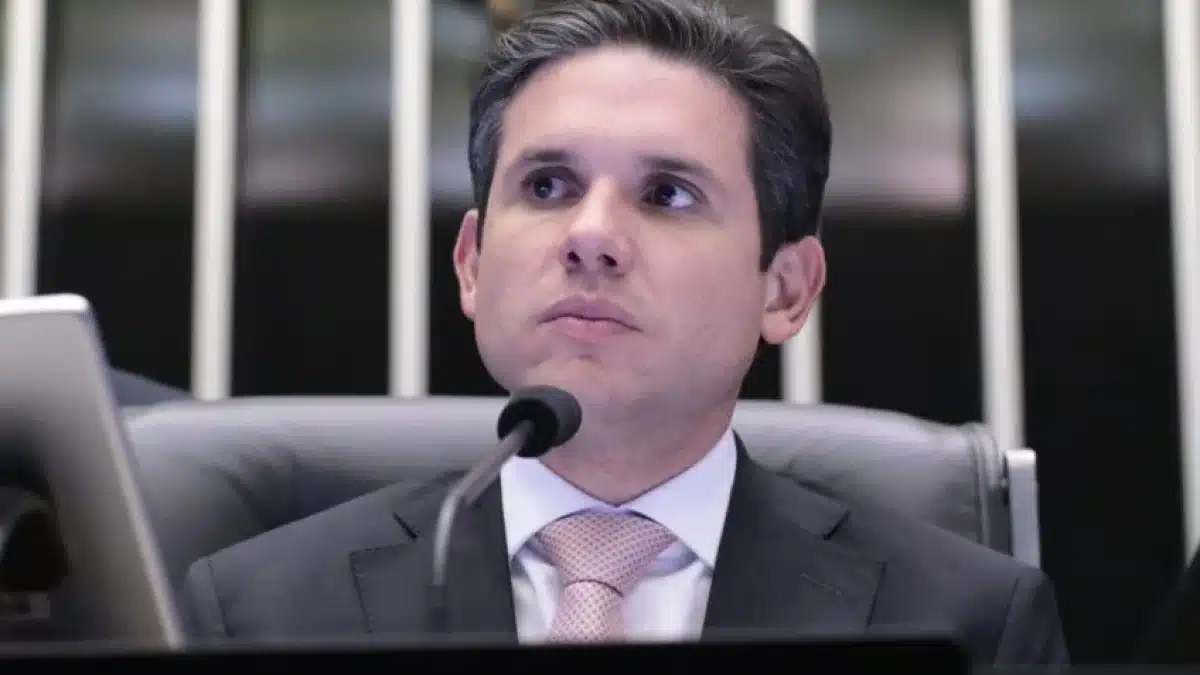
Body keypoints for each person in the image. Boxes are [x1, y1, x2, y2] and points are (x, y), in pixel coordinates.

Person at [179, 0, 1068, 664]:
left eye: (667, 194)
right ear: (472, 264)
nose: (591, 235)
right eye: (548, 186)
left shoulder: (969, 625)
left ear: (786, 290)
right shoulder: (261, 611)